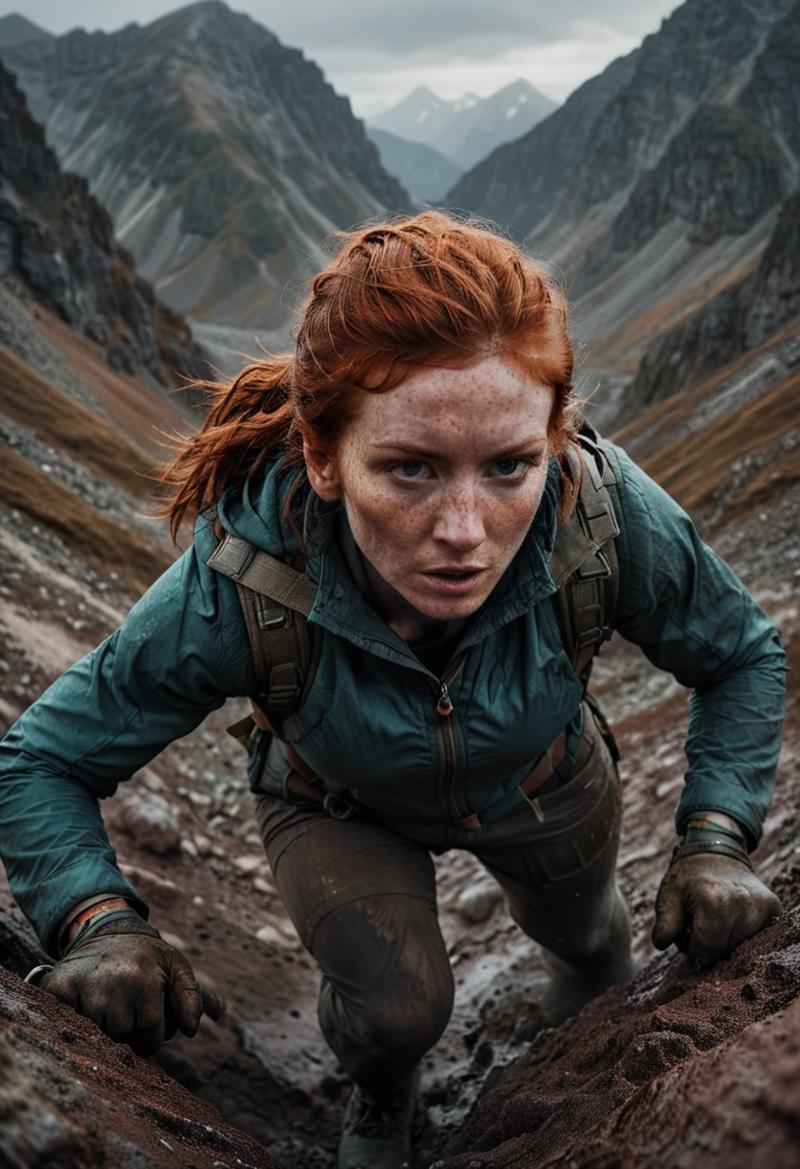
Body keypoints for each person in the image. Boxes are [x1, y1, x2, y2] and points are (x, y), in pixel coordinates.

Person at [0, 210, 785, 1169]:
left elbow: (740, 651)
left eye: (510, 466)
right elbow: (40, 756)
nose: (464, 529)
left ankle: (569, 1085)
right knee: (398, 1011)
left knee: (592, 947)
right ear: (324, 458)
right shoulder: (245, 576)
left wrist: (716, 839)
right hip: (338, 803)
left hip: (543, 772)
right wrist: (96, 921)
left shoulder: (604, 512)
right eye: (409, 468)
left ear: (557, 438)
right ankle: (381, 1097)